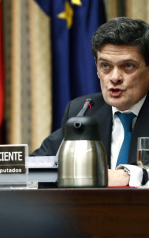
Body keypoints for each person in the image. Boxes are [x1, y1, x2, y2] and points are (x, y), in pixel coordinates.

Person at [32, 17, 149, 187]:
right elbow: (39, 165)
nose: (114, 77)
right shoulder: (83, 110)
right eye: (106, 66)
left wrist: (130, 175)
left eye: (128, 66)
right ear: (96, 67)